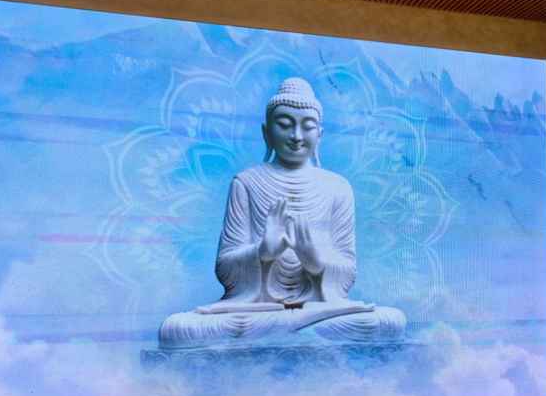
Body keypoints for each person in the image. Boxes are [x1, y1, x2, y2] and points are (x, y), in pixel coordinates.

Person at [158, 78, 406, 348]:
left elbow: (347, 273)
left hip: (320, 309)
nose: (297, 136)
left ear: (319, 134)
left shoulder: (338, 188)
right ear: (267, 132)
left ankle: (292, 331)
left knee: (388, 321)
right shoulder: (246, 183)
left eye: (307, 126)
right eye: (285, 124)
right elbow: (225, 267)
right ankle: (296, 333)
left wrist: (315, 261)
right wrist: (263, 252)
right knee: (179, 328)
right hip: (257, 311)